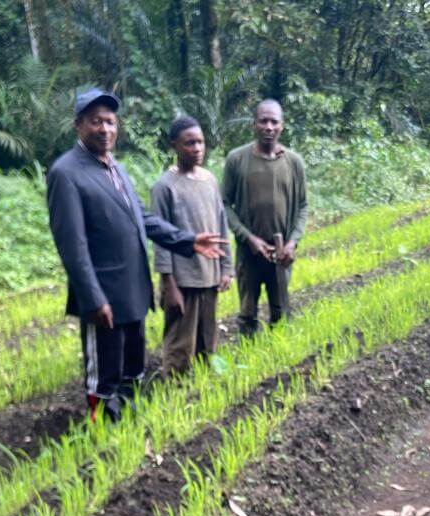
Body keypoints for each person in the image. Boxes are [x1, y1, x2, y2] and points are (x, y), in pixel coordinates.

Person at [46, 88, 226, 422]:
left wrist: (187, 241)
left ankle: (127, 421)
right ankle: (102, 429)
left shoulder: (115, 167)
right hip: (104, 294)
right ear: (78, 125)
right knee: (105, 372)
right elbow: (73, 247)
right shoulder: (66, 173)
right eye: (96, 121)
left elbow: (142, 219)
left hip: (133, 288)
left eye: (110, 122)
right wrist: (93, 298)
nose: (105, 129)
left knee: (132, 365)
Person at [151, 115, 233, 376]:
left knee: (207, 339)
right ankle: (174, 386)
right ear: (174, 146)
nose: (197, 148)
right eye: (189, 143)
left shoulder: (209, 180)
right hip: (182, 280)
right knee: (180, 342)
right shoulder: (165, 187)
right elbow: (161, 238)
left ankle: (201, 387)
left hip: (209, 275)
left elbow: (221, 224)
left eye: (200, 142)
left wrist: (226, 267)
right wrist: (169, 284)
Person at [222, 99, 308, 337]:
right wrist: (248, 238)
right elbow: (224, 204)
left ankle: (277, 355)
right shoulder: (237, 160)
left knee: (280, 311)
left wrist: (292, 243)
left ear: (282, 126)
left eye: (274, 122)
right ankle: (249, 355)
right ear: (254, 124)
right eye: (263, 121)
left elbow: (303, 206)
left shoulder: (294, 163)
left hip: (281, 255)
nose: (269, 127)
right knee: (247, 313)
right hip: (249, 253)